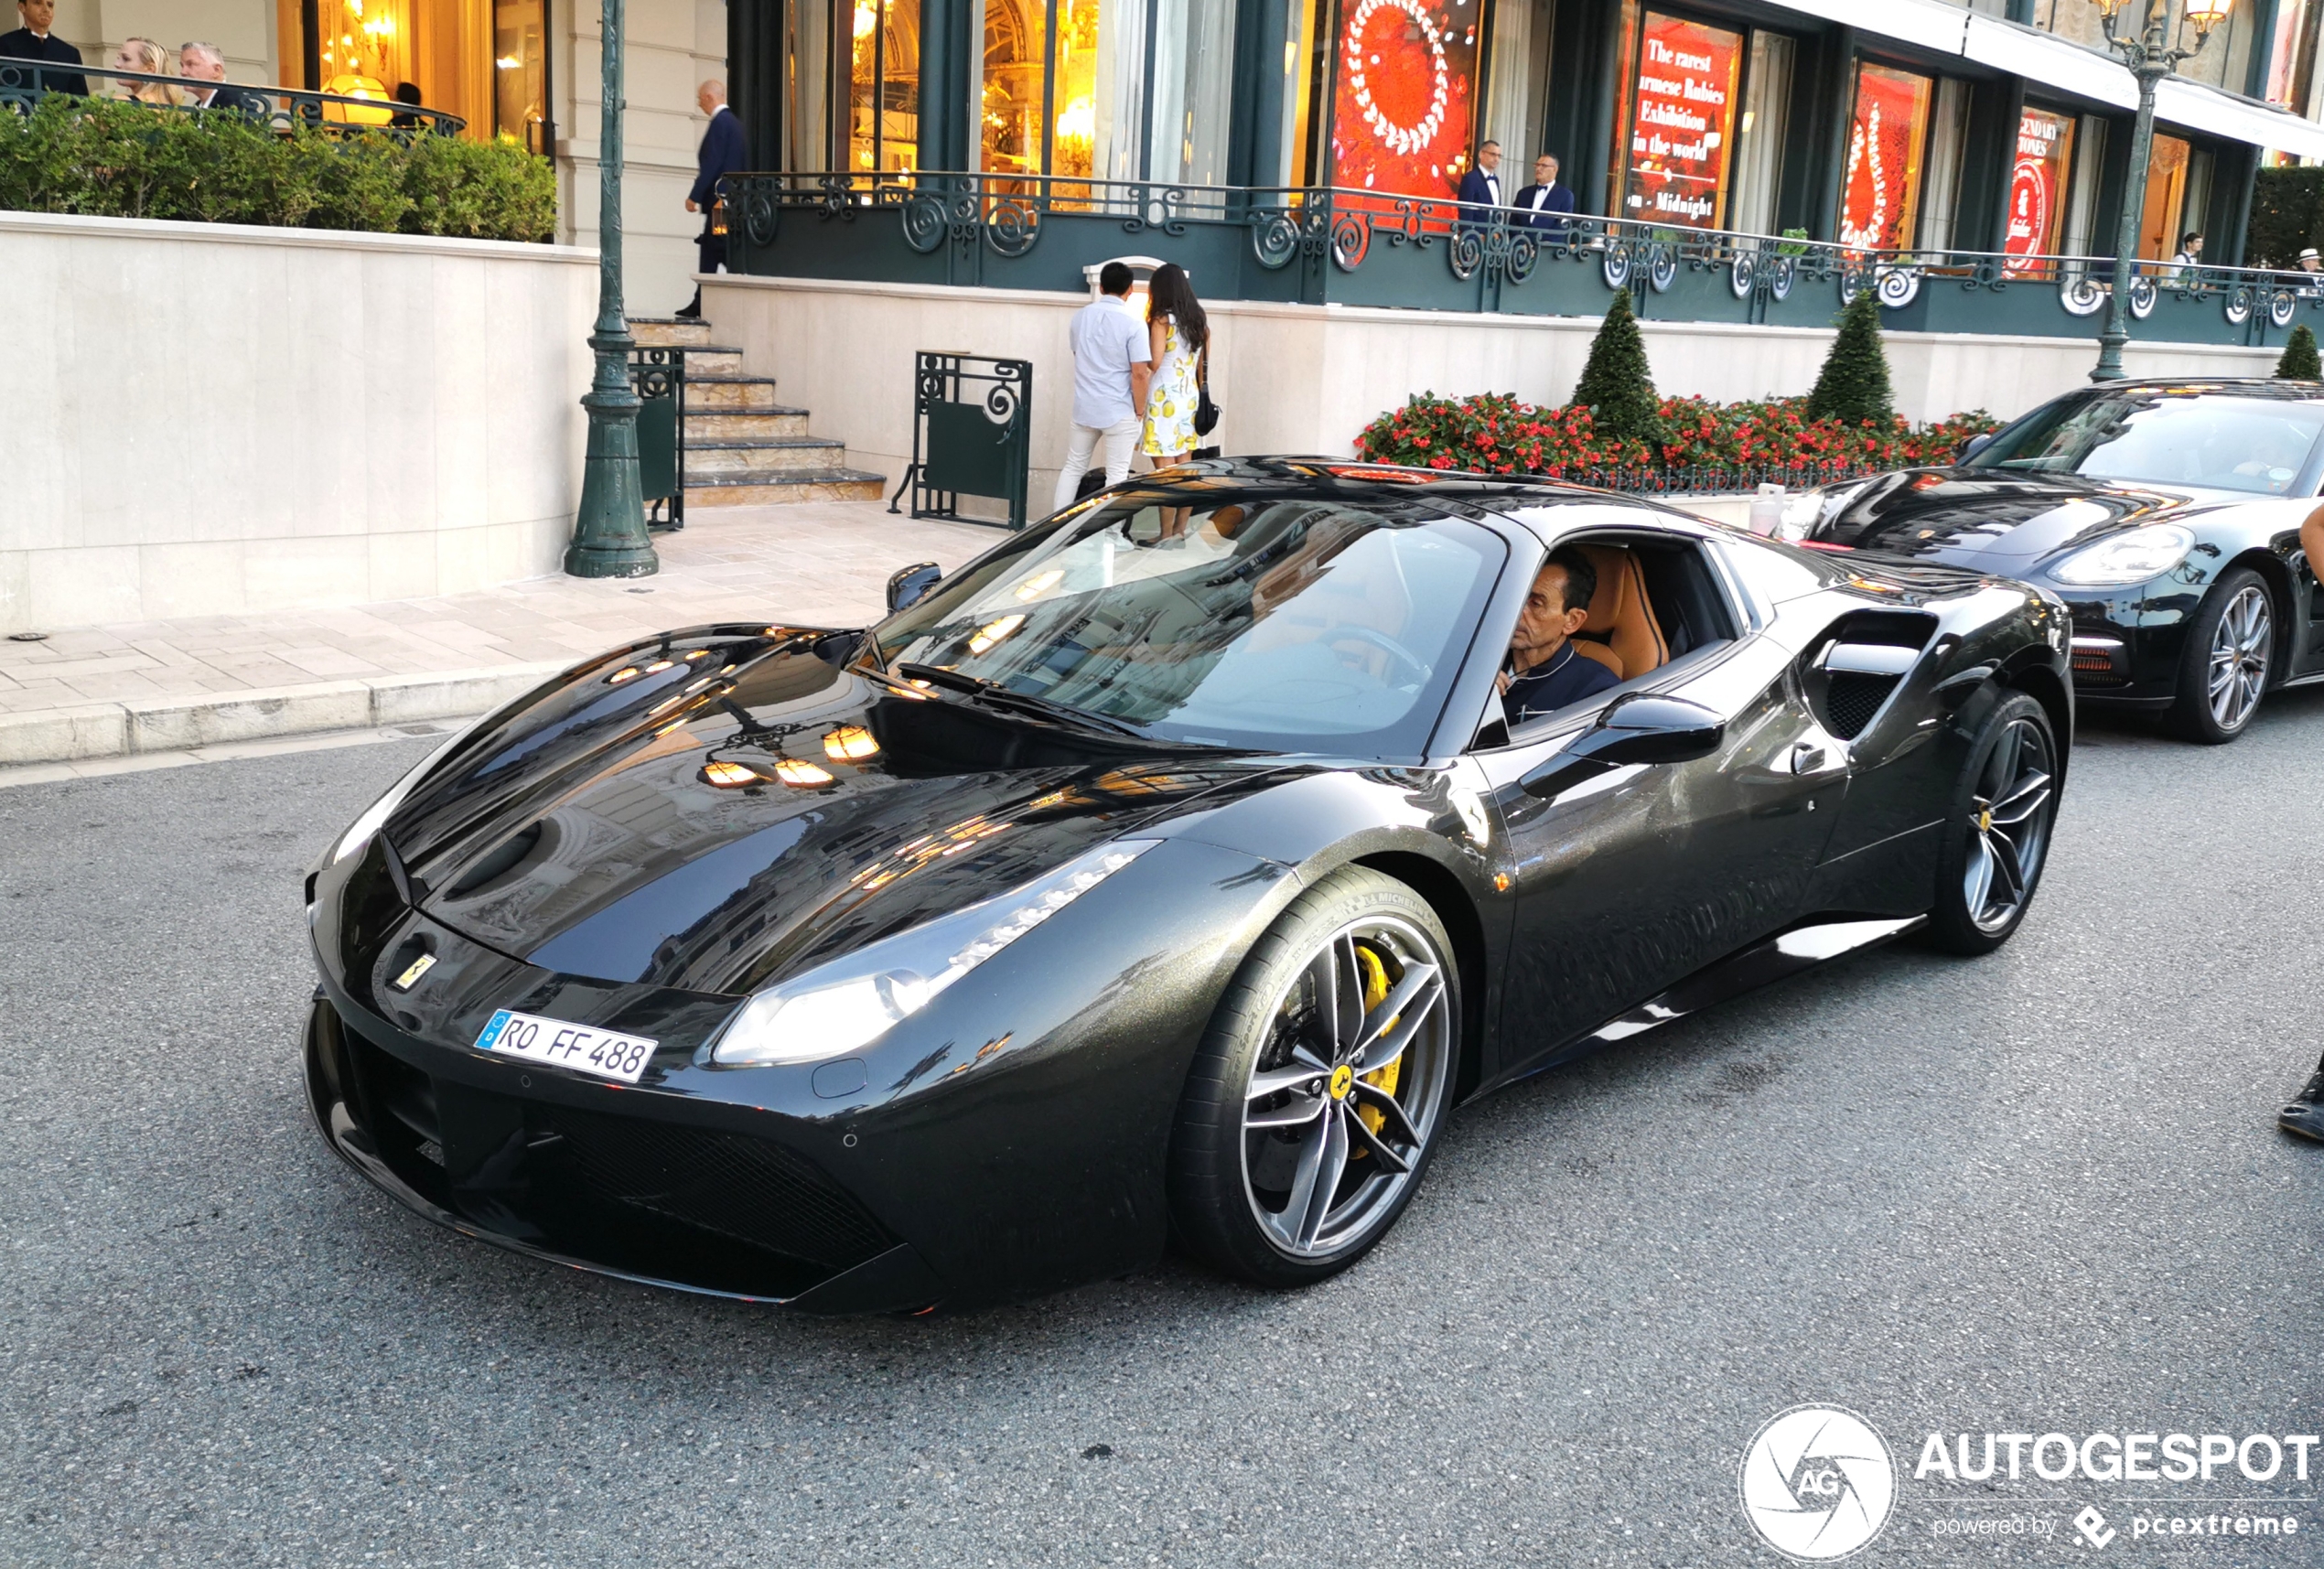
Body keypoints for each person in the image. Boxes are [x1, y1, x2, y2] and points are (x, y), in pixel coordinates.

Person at [1052, 261, 1153, 512]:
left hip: (1085, 406)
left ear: (1101, 287)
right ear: (1130, 289)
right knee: (1117, 475)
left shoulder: (1080, 317)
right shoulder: (1134, 323)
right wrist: (1139, 412)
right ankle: (1111, 536)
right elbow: (1140, 373)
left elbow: (1078, 355)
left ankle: (1055, 528)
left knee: (1073, 466)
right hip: (1119, 409)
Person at [1500, 548, 1619, 724]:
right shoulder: (1474, 659)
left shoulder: (1595, 690)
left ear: (1572, 620)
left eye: (1536, 603)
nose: (1518, 610)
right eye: (1518, 596)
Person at [1140, 263, 1206, 531]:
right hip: (1189, 396)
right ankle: (1180, 531)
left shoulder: (1161, 320)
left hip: (1164, 395)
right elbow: (1201, 366)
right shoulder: (1199, 320)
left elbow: (1155, 362)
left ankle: (1165, 534)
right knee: (1185, 468)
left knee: (1164, 473)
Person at [678, 80, 747, 319]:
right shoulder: (736, 125)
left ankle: (708, 300)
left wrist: (694, 196)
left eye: (700, 98)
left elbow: (712, 163)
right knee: (713, 248)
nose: (699, 104)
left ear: (709, 97)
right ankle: (701, 301)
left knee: (718, 247)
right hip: (729, 201)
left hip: (721, 202)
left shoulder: (721, 123)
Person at [0, 0, 87, 96]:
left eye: (50, 5)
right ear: (22, 7)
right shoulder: (5, 44)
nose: (46, 9)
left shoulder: (70, 53)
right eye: (37, 3)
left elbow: (79, 98)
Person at [178, 41, 266, 117]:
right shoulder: (199, 106)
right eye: (182, 66)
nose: (183, 72)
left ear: (216, 70)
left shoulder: (235, 104)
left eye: (190, 64)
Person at [1512, 153, 1576, 237]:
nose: (1538, 168)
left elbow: (1562, 227)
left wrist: (1541, 246)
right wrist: (1521, 243)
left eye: (1543, 166)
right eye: (1537, 165)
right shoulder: (1523, 193)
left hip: (1547, 248)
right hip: (1521, 247)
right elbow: (1513, 222)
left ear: (1555, 169)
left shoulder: (1565, 196)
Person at [107, 36, 173, 104]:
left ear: (150, 69)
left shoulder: (122, 102)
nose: (116, 64)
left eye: (126, 59)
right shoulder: (171, 107)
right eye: (118, 58)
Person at [1456, 140, 1503, 225]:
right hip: (1476, 234)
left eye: (1499, 156)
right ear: (1481, 154)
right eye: (1493, 154)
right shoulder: (1470, 178)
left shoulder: (1495, 179)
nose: (1496, 159)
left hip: (1492, 235)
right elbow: (1465, 211)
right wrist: (1472, 235)